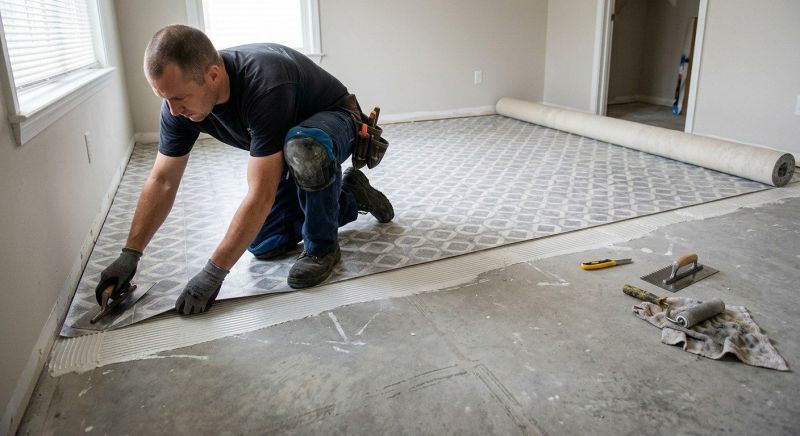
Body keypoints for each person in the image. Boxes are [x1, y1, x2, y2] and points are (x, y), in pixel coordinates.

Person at [94, 24, 394, 315]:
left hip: (333, 122)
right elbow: (162, 182)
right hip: (288, 146)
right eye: (164, 98)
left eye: (179, 98)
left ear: (213, 75)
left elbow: (260, 193)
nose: (173, 110)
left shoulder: (264, 83)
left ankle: (322, 248)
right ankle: (351, 195)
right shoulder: (178, 109)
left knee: (304, 149)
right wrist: (130, 254)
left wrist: (213, 273)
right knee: (265, 243)